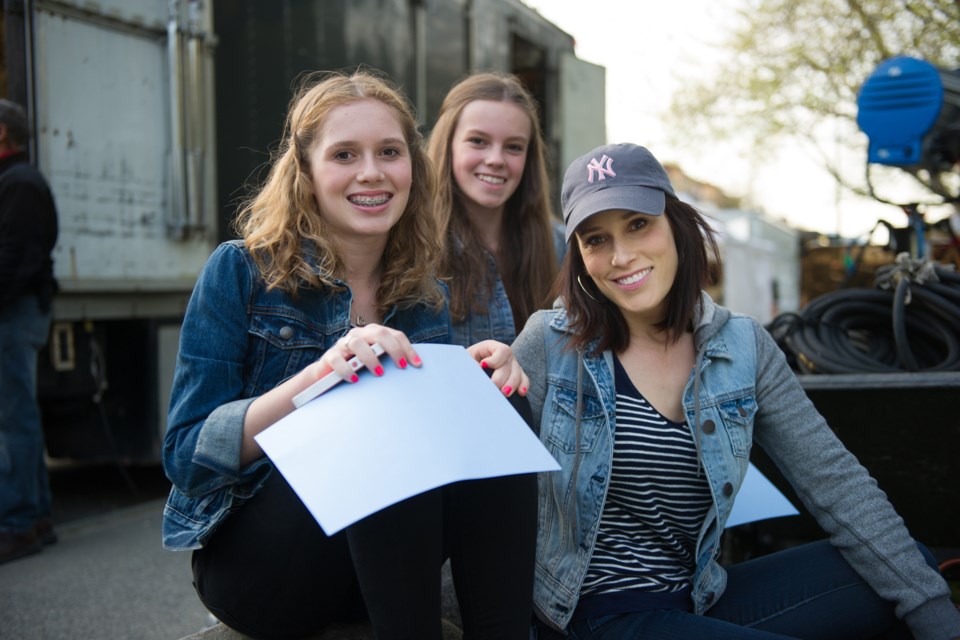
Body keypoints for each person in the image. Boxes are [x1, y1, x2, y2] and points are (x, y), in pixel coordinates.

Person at [512, 142, 960, 639]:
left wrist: (937, 617)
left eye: (639, 223)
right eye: (596, 239)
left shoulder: (742, 345)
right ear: (579, 256)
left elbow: (835, 482)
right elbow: (482, 498)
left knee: (904, 573)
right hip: (586, 618)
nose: (621, 256)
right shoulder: (550, 343)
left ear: (677, 223)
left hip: (696, 599)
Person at [161, 70, 537, 640]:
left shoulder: (420, 294)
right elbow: (186, 456)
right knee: (379, 407)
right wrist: (323, 377)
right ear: (307, 174)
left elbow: (439, 463)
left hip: (372, 569)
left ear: (412, 167)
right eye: (344, 154)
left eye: (389, 152)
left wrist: (481, 380)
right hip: (262, 566)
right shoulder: (241, 271)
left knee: (502, 401)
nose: (371, 172)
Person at [427, 72, 563, 347]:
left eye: (513, 147)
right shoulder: (412, 247)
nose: (495, 159)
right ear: (448, 145)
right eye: (478, 141)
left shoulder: (562, 246)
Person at [0, 99, 59, 565]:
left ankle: (19, 524)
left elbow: (18, 258)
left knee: (11, 419)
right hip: (19, 311)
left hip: (13, 314)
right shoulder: (20, 180)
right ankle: (35, 517)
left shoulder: (19, 183)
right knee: (19, 415)